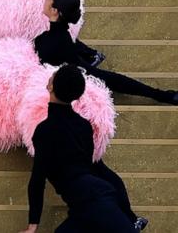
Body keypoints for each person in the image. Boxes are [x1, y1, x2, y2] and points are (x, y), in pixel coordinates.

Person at [21, 65, 139, 233]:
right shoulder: (83, 125)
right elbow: (87, 166)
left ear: (50, 86)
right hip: (90, 202)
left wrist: (33, 225)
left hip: (94, 202)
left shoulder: (45, 130)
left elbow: (38, 180)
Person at [37, 0, 178, 107]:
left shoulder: (50, 41)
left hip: (69, 83)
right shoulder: (55, 38)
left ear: (54, 10)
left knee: (106, 77)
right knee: (102, 74)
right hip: (67, 72)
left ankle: (164, 95)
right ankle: (163, 95)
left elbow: (97, 75)